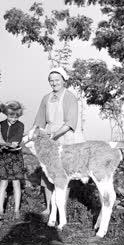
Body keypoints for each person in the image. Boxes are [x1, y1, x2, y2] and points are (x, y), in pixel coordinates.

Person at [32, 67, 84, 217]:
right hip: (49, 137)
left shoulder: (70, 97)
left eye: (57, 80)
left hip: (65, 137)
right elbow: (39, 121)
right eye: (51, 80)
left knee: (62, 174)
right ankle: (49, 207)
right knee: (48, 172)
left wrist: (55, 135)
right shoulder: (46, 98)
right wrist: (35, 136)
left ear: (64, 80)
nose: (54, 83)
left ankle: (61, 208)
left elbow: (70, 123)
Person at [0, 101, 25, 220]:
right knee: (3, 182)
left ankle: (17, 210)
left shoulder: (20, 125)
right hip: (4, 156)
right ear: (6, 114)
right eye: (11, 116)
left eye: (16, 117)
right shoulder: (0, 124)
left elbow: (15, 141)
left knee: (16, 183)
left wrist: (6, 144)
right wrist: (1, 144)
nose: (13, 119)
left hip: (15, 156)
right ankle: (1, 209)